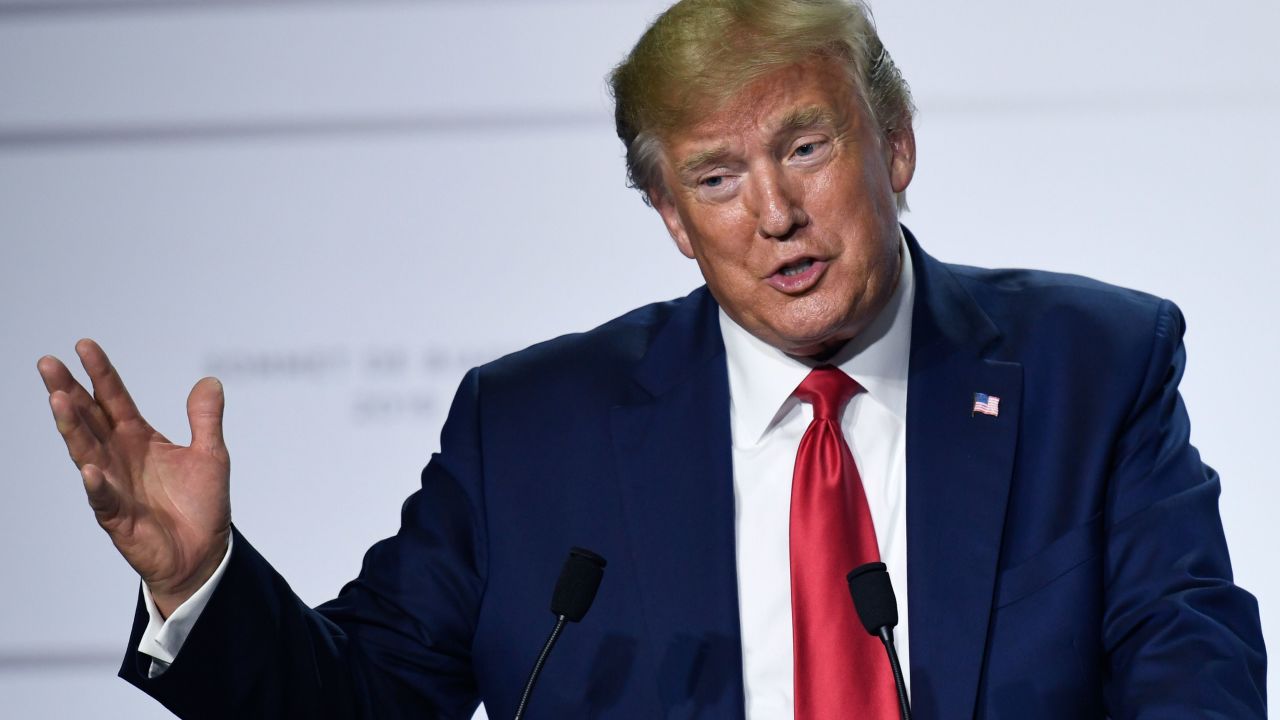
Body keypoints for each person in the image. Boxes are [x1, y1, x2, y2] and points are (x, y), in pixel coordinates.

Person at [38, 0, 1265, 718]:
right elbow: (363, 708)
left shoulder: (1089, 369)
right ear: (673, 222)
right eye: (716, 180)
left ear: (892, 144)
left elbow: (1192, 675)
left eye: (804, 147)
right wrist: (201, 581)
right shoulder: (531, 431)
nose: (772, 214)